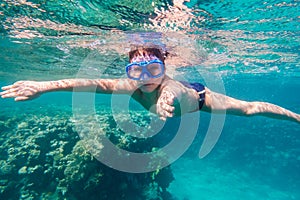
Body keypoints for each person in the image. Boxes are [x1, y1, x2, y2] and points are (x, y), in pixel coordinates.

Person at [1, 46, 300, 123]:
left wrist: (164, 99)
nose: (145, 77)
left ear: (164, 67)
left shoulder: (170, 86)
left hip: (197, 97)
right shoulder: (130, 86)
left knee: (248, 110)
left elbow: (175, 90)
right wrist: (42, 85)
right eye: (136, 71)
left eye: (154, 68)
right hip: (177, 94)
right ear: (128, 71)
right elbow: (92, 83)